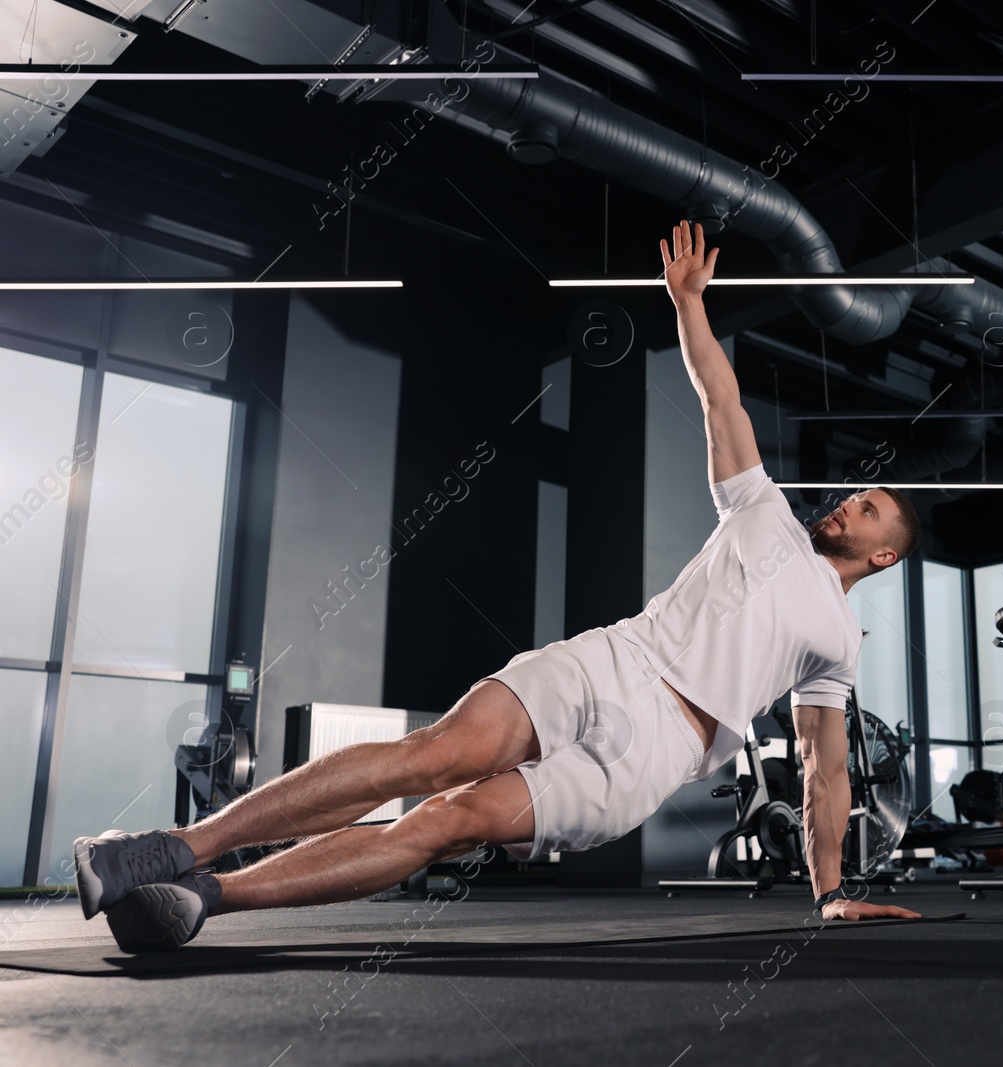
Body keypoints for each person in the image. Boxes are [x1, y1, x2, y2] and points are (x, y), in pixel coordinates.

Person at [75, 220, 923, 950]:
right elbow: (721, 400)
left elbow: (825, 766)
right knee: (433, 754)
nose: (853, 500)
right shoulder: (764, 509)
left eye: (872, 507)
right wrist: (689, 303)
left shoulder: (838, 641)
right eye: (858, 493)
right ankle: (175, 849)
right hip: (615, 659)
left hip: (658, 748)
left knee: (447, 818)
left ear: (886, 555)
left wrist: (829, 888)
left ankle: (208, 898)